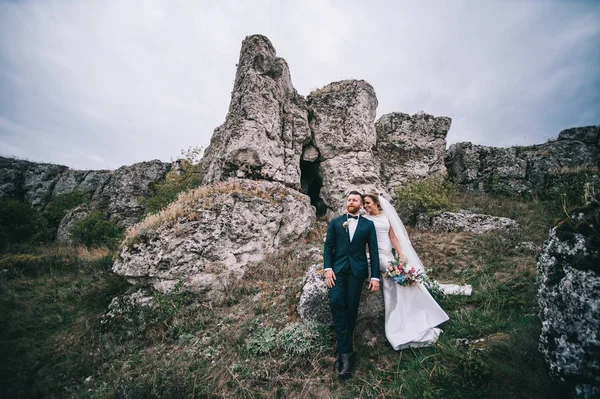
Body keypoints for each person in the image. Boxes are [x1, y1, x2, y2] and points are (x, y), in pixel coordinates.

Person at [362, 192, 449, 350]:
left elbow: (393, 238)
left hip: (389, 255)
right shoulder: (365, 219)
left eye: (368, 203)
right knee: (400, 276)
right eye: (364, 204)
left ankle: (424, 313)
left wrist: (401, 255)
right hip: (379, 257)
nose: (366, 206)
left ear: (376, 203)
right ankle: (414, 317)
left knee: (405, 281)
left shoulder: (385, 216)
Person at [323, 191, 380, 379]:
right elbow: (328, 247)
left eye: (354, 200)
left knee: (351, 308)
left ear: (361, 205)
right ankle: (346, 351)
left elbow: (373, 251)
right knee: (336, 302)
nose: (350, 202)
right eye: (348, 199)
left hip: (357, 271)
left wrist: (375, 277)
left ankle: (343, 355)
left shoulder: (368, 225)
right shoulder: (336, 222)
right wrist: (328, 268)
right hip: (338, 270)